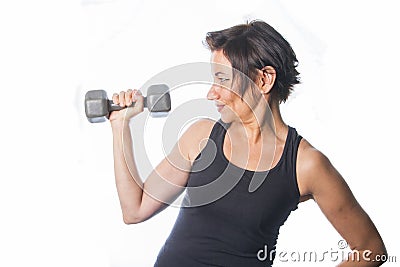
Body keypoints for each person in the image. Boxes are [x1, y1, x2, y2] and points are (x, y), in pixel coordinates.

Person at [109, 20, 386, 266]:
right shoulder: (202, 136)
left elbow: (371, 249)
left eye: (222, 80)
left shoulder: (305, 165)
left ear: (264, 79)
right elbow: (134, 210)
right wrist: (120, 126)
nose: (211, 93)